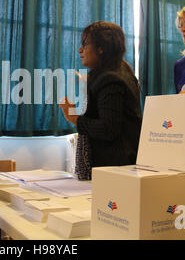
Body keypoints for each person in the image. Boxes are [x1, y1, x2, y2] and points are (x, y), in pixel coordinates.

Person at [60, 21, 142, 180]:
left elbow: (108, 128)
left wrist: (75, 119)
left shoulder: (110, 78)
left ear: (101, 49)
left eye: (85, 45)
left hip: (114, 168)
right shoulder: (119, 70)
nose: (80, 50)